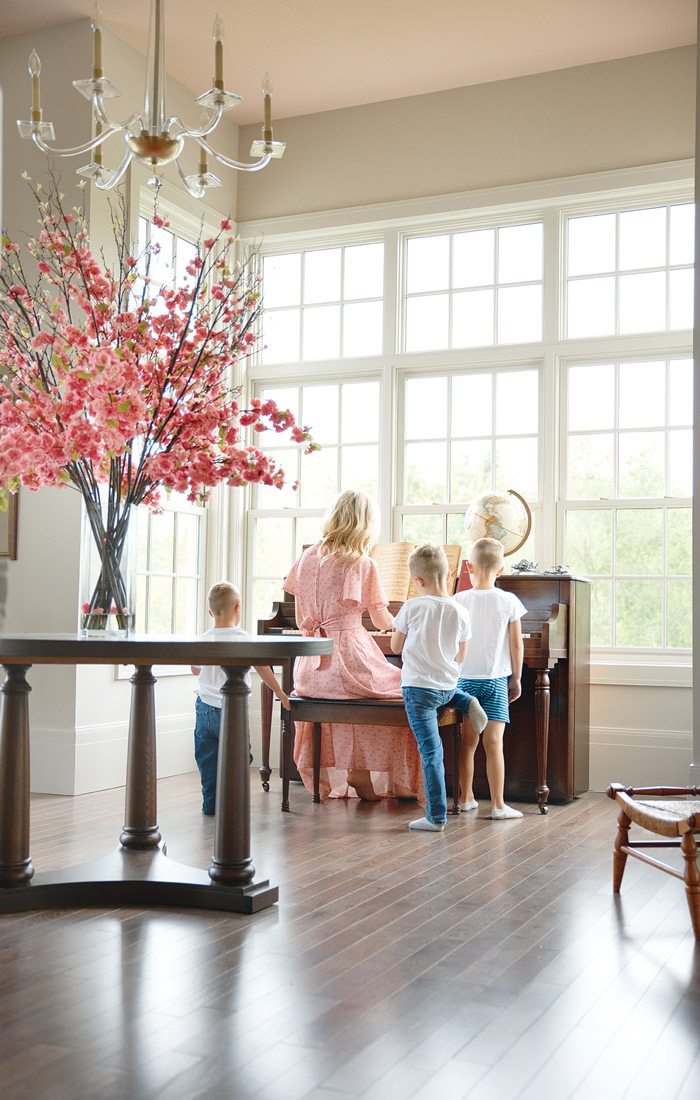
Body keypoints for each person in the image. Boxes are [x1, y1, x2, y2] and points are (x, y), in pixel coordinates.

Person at [283, 490, 421, 802]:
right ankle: (399, 781)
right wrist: (415, 618)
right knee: (406, 688)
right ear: (365, 524)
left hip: (308, 670)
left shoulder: (305, 557)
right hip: (345, 662)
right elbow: (382, 619)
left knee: (361, 696)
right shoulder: (361, 562)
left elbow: (301, 614)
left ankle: (358, 772)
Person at [391, 545, 488, 832]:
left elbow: (396, 647)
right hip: (447, 686)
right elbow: (461, 655)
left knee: (431, 752)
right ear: (448, 574)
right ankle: (466, 701)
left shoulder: (412, 606)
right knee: (447, 697)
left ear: (417, 581)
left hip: (418, 691)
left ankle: (436, 817)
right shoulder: (459, 610)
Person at [191, 581, 289, 816]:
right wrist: (281, 694)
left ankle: (210, 804)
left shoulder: (203, 638)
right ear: (238, 607)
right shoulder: (244, 638)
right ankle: (232, 805)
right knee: (239, 757)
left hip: (204, 709)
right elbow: (264, 669)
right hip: (232, 710)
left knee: (207, 761)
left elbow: (195, 670)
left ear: (210, 612)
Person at [453, 537, 527, 820]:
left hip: (465, 681)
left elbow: (452, 641)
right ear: (500, 570)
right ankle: (498, 805)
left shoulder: (458, 600)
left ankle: (466, 797)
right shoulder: (509, 600)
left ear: (469, 567)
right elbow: (516, 644)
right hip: (495, 681)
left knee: (468, 743)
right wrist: (517, 678)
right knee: (494, 743)